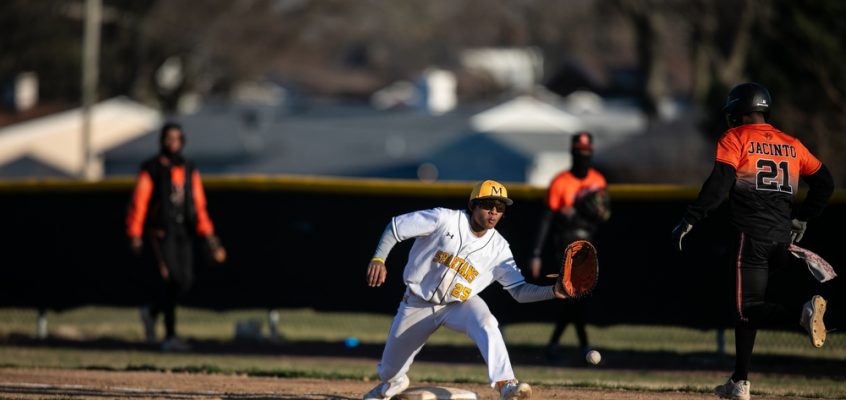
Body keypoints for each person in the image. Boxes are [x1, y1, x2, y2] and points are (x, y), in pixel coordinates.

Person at [672, 83, 834, 400]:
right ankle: (739, 382)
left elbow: (719, 186)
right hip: (782, 241)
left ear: (736, 113)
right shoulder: (792, 144)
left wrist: (691, 217)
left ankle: (801, 314)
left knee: (745, 310)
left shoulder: (736, 138)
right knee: (752, 307)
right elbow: (825, 184)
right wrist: (803, 217)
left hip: (751, 237)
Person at [363, 180, 571, 400]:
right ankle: (394, 383)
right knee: (389, 370)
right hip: (417, 303)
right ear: (472, 205)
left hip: (460, 305)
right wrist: (379, 258)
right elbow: (396, 227)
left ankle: (506, 385)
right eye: (488, 204)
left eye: (500, 207)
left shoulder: (499, 249)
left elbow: (518, 291)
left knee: (487, 322)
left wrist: (552, 291)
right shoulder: (444, 219)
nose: (494, 211)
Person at [126, 122, 226, 352]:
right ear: (162, 140)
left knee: (186, 280)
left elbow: (198, 204)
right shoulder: (152, 168)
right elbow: (139, 202)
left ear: (182, 141)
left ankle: (151, 312)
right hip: (161, 232)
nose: (173, 142)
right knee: (172, 280)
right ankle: (170, 336)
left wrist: (208, 233)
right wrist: (135, 232)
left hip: (184, 231)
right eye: (169, 138)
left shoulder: (189, 168)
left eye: (177, 138)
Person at [530, 132, 609, 362]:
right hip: (566, 247)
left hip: (588, 248)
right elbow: (546, 219)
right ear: (572, 153)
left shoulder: (597, 180)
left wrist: (590, 211)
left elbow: (603, 216)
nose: (582, 156)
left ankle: (555, 344)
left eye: (586, 152)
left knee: (575, 299)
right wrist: (536, 252)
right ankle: (582, 346)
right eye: (578, 152)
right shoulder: (560, 182)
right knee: (573, 296)